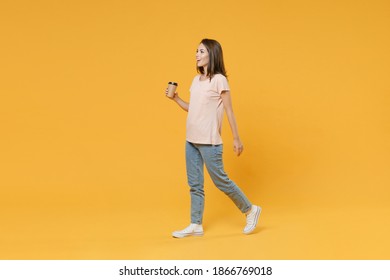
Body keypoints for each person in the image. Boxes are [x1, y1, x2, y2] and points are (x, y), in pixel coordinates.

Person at [166, 38, 261, 238]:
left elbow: (229, 110)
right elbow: (194, 109)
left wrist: (236, 138)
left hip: (209, 141)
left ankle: (250, 209)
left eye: (201, 51)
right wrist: (176, 99)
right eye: (196, 51)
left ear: (212, 54)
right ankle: (195, 224)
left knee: (221, 181)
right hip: (191, 140)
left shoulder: (219, 79)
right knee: (195, 184)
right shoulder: (195, 80)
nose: (197, 55)